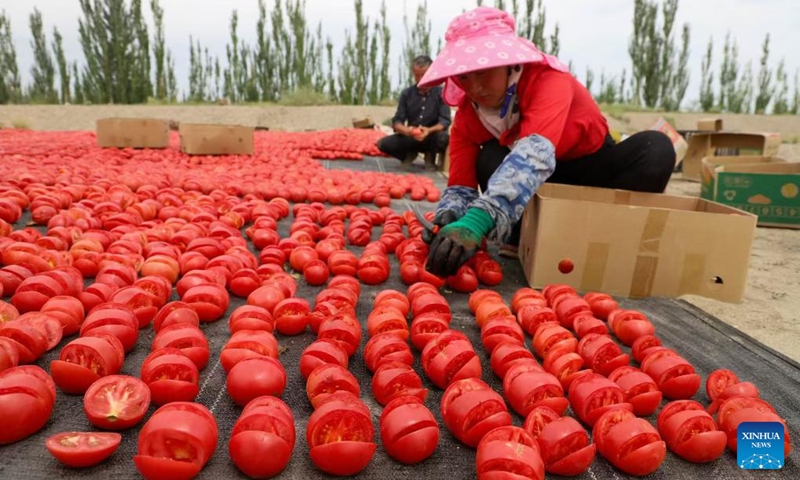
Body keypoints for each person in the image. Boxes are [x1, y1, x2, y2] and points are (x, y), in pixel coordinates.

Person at [419, 6, 676, 277]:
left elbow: (533, 155)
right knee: (490, 157)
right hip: (538, 188)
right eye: (463, 77)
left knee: (655, 148)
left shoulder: (548, 80)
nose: (475, 88)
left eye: (483, 71)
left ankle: (612, 238)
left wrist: (478, 220)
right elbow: (461, 183)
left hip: (592, 168)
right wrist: (451, 213)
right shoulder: (469, 114)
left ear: (508, 62)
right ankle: (521, 235)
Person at [377, 55, 452, 171]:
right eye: (417, 75)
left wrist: (428, 130)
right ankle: (408, 155)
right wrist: (407, 130)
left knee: (443, 138)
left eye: (424, 75)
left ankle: (430, 157)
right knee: (384, 144)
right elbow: (397, 120)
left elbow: (445, 121)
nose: (421, 79)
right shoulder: (407, 94)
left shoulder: (441, 93)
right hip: (411, 136)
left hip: (431, 136)